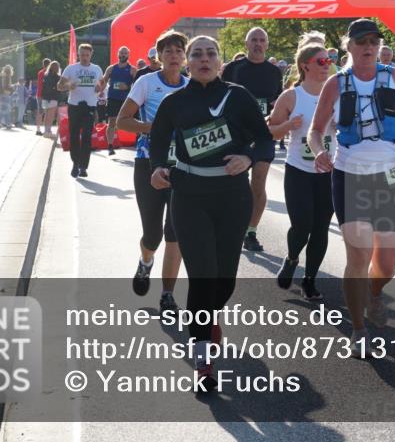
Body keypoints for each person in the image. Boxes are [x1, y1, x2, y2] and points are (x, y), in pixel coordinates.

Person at [149, 35, 274, 391]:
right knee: (203, 276)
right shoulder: (175, 102)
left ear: (220, 61)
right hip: (189, 195)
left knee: (225, 281)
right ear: (187, 62)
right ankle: (203, 361)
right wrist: (157, 168)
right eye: (197, 54)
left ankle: (206, 316)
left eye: (211, 53)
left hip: (232, 197)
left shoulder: (238, 96)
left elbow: (264, 139)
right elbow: (159, 141)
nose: (204, 59)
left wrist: (249, 157)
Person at [308, 19, 395, 353]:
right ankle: (359, 331)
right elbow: (316, 130)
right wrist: (320, 152)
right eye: (361, 41)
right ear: (348, 46)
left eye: (374, 41)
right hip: (350, 173)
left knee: (387, 263)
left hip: (393, 174)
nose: (368, 47)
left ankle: (375, 293)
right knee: (358, 256)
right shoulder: (336, 83)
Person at [117, 30, 189, 314]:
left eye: (178, 51)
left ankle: (168, 294)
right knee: (153, 234)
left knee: (175, 231)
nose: (174, 56)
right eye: (168, 51)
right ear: (159, 57)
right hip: (148, 162)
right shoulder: (146, 82)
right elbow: (123, 121)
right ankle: (146, 262)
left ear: (184, 57)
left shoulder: (192, 86)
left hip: (182, 167)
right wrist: (154, 128)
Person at [268, 42, 336, 300]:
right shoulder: (292, 97)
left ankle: (310, 280)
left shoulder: (336, 93)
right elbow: (271, 131)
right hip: (299, 169)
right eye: (321, 61)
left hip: (327, 171)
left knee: (320, 227)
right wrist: (288, 124)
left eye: (328, 60)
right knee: (302, 224)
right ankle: (292, 257)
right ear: (305, 65)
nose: (326, 65)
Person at [221, 27, 284, 252]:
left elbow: (279, 102)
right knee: (235, 185)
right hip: (236, 136)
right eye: (254, 40)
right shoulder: (233, 69)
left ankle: (251, 232)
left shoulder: (274, 72)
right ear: (246, 44)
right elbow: (220, 98)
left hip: (263, 135)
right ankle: (231, 226)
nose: (258, 44)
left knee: (258, 183)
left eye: (262, 40)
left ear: (267, 45)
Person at [58, 44, 104, 178]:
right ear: (78, 54)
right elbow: (59, 86)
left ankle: (83, 166)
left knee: (86, 136)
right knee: (74, 135)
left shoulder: (96, 69)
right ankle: (75, 163)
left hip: (90, 106)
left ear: (91, 55)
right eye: (82, 55)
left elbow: (102, 82)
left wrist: (99, 88)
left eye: (87, 55)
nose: (84, 57)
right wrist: (68, 85)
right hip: (74, 106)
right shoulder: (71, 68)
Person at [101, 46, 137, 156]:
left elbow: (137, 86)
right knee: (111, 122)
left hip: (127, 100)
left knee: (132, 121)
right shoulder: (111, 68)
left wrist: (127, 87)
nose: (123, 55)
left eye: (125, 53)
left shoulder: (132, 70)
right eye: (121, 53)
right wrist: (98, 92)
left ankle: (138, 142)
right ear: (118, 54)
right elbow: (103, 81)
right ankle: (110, 146)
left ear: (128, 55)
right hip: (113, 98)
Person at [39, 61, 62, 138]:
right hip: (53, 98)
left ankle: (46, 131)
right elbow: (59, 88)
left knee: (46, 115)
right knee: (50, 116)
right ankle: (48, 131)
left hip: (45, 97)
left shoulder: (46, 75)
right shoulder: (57, 77)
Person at [0, 65, 15, 129]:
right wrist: (12, 87)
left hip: (2, 94)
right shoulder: (7, 76)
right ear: (10, 70)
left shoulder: (2, 75)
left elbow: (3, 85)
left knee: (4, 110)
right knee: (5, 110)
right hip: (5, 93)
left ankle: (5, 123)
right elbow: (6, 86)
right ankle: (2, 123)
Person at [35, 58, 51, 135]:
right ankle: (45, 130)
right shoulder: (46, 73)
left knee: (40, 112)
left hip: (39, 94)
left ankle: (38, 129)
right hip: (44, 95)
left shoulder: (40, 72)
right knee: (45, 112)